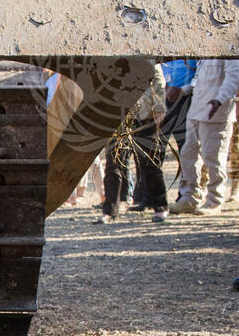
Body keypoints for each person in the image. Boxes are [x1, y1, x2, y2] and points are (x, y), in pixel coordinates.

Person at [97, 67, 167, 223]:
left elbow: (158, 80)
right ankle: (109, 210)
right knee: (113, 163)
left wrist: (159, 106)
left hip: (144, 115)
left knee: (148, 162)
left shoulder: (146, 55)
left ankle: (160, 206)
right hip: (118, 114)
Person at [170, 58, 239, 215]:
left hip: (216, 112)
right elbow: (200, 78)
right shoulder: (207, 49)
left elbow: (233, 78)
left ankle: (215, 201)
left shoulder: (229, 49)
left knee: (213, 157)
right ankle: (189, 197)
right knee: (188, 154)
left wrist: (219, 100)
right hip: (196, 109)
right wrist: (184, 90)